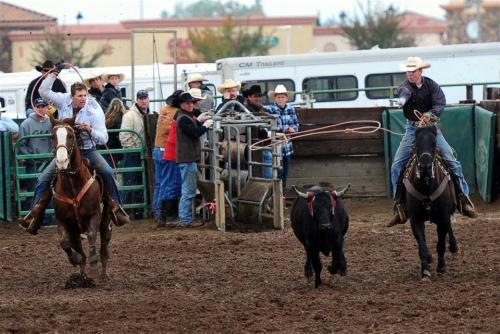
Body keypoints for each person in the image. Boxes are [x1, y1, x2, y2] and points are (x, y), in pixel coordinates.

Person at [19, 72, 129, 235]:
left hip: (87, 149)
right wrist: (53, 75)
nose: (83, 98)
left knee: (107, 171)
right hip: (65, 151)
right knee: (43, 178)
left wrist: (90, 129)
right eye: (79, 96)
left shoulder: (94, 108)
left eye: (85, 95)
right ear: (72, 96)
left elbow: (103, 137)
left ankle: (116, 208)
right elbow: (43, 91)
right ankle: (34, 215)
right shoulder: (63, 100)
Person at [388, 56, 478, 227]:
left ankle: (463, 199)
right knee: (396, 165)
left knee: (451, 160)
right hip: (412, 130)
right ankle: (399, 205)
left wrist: (430, 115)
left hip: (431, 129)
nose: (410, 74)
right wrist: (401, 101)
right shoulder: (405, 88)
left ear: (420, 71)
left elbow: (440, 103)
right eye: (408, 71)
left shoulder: (432, 85)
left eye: (413, 71)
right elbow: (404, 94)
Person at [174, 91, 213, 227]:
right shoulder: (184, 118)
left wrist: (198, 121)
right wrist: (204, 125)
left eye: (191, 102)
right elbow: (195, 133)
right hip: (187, 158)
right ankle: (185, 220)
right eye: (187, 103)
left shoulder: (183, 116)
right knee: (188, 190)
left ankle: (185, 218)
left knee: (188, 190)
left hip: (188, 158)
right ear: (182, 105)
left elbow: (193, 129)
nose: (190, 105)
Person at [119, 90, 150, 218]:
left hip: (143, 153)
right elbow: (124, 135)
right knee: (131, 182)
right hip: (133, 154)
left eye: (145, 98)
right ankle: (126, 211)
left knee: (139, 182)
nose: (143, 101)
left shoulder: (148, 114)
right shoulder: (130, 115)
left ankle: (137, 211)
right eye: (141, 98)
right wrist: (136, 149)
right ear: (137, 100)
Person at [153, 90, 183, 226]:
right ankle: (164, 214)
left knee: (160, 183)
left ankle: (157, 211)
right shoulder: (176, 113)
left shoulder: (164, 110)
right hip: (167, 150)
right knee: (168, 182)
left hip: (158, 148)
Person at [18, 98, 52, 201]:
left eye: (43, 106)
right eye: (38, 106)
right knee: (33, 191)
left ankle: (48, 216)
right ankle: (32, 215)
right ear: (34, 108)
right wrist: (30, 158)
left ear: (47, 107)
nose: (41, 109)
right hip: (33, 163)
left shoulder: (51, 122)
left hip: (49, 162)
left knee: (49, 190)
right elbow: (22, 145)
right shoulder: (26, 124)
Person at [266, 84, 299, 188]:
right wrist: (286, 129)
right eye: (278, 97)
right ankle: (277, 192)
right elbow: (271, 127)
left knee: (285, 172)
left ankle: (282, 192)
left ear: (286, 98)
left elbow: (296, 126)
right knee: (277, 171)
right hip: (275, 147)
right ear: (275, 98)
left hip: (287, 146)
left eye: (282, 97)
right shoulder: (270, 110)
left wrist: (292, 129)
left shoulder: (291, 109)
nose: (280, 99)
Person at [243, 85, 273, 178]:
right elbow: (253, 128)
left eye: (259, 96)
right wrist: (268, 133)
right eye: (255, 96)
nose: (258, 98)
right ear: (249, 97)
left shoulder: (262, 109)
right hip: (252, 146)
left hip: (261, 144)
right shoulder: (246, 110)